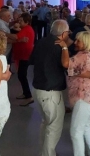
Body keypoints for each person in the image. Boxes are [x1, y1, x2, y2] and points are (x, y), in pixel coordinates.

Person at [57, 31, 90, 156]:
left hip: (84, 98)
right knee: (85, 128)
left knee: (76, 131)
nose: (76, 42)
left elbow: (66, 64)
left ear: (86, 43)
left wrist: (64, 47)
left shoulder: (82, 56)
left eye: (79, 40)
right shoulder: (87, 55)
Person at [30, 20, 70, 156]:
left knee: (46, 122)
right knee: (54, 126)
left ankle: (44, 151)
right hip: (51, 92)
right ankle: (48, 153)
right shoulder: (59, 46)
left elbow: (32, 60)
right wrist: (65, 49)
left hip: (37, 89)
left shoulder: (41, 41)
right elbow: (66, 65)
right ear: (64, 33)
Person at [5, 13, 35, 106]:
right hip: (21, 55)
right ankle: (25, 94)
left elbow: (15, 37)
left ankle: (29, 96)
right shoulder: (24, 29)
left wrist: (4, 33)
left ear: (27, 22)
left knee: (22, 75)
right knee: (21, 75)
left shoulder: (27, 29)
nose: (19, 22)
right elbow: (17, 39)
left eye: (21, 21)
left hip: (25, 56)